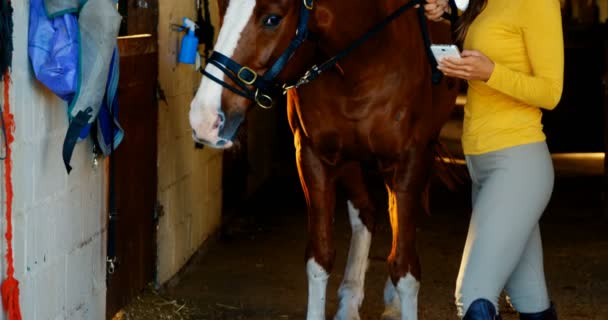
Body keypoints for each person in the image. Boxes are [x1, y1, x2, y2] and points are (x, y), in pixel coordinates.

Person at [423, 0, 564, 319]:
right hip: (481, 165)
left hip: (518, 164)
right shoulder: (483, 2)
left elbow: (551, 92)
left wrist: (490, 73)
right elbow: (483, 24)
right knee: (531, 299)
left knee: (473, 297)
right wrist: (446, 10)